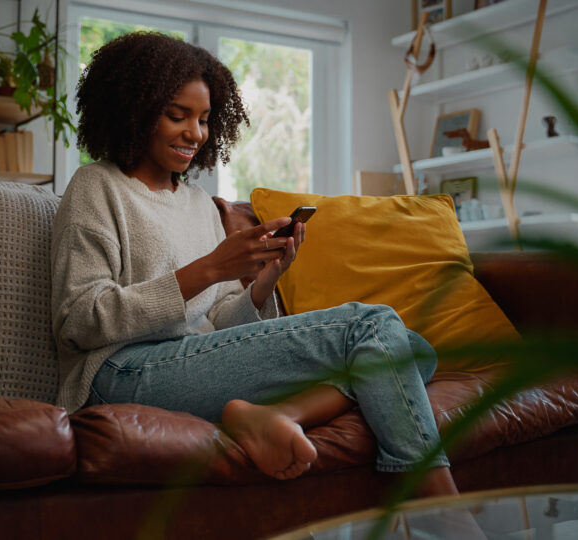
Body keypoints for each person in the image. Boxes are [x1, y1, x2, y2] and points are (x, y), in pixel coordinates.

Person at [51, 32, 459, 495]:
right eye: (177, 116)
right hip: (120, 374)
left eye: (204, 119)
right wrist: (208, 268)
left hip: (192, 365)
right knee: (373, 329)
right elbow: (79, 319)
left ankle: (280, 415)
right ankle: (440, 510)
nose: (195, 134)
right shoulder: (95, 187)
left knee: (412, 347)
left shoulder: (200, 204)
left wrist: (265, 281)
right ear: (135, 109)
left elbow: (222, 323)